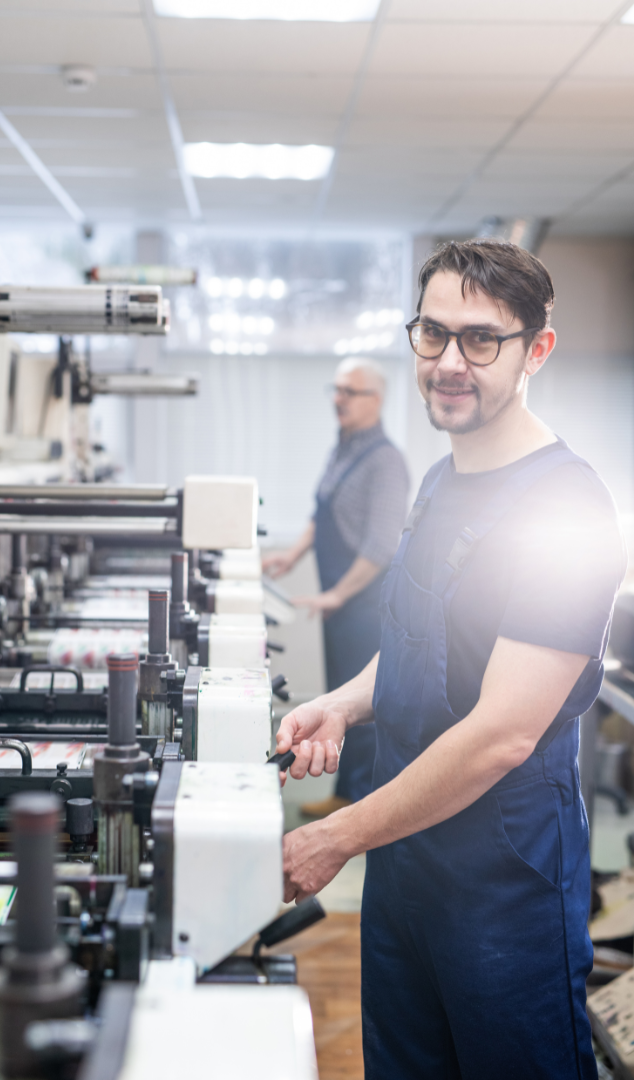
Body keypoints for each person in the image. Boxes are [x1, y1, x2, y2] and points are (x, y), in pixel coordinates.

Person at [275, 240, 627, 1079]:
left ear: (537, 348)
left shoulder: (567, 510)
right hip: (408, 863)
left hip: (501, 883)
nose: (449, 362)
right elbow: (415, 641)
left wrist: (338, 835)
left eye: (481, 339)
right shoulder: (438, 482)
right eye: (432, 334)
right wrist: (346, 701)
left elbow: (504, 731)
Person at [263, 357, 408, 815]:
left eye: (350, 391)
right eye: (337, 389)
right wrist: (293, 554)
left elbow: (380, 545)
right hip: (343, 603)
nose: (338, 399)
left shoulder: (385, 461)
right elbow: (320, 511)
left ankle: (358, 800)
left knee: (362, 704)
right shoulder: (343, 447)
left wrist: (338, 593)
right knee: (340, 695)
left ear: (377, 400)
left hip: (367, 605)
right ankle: (345, 792)